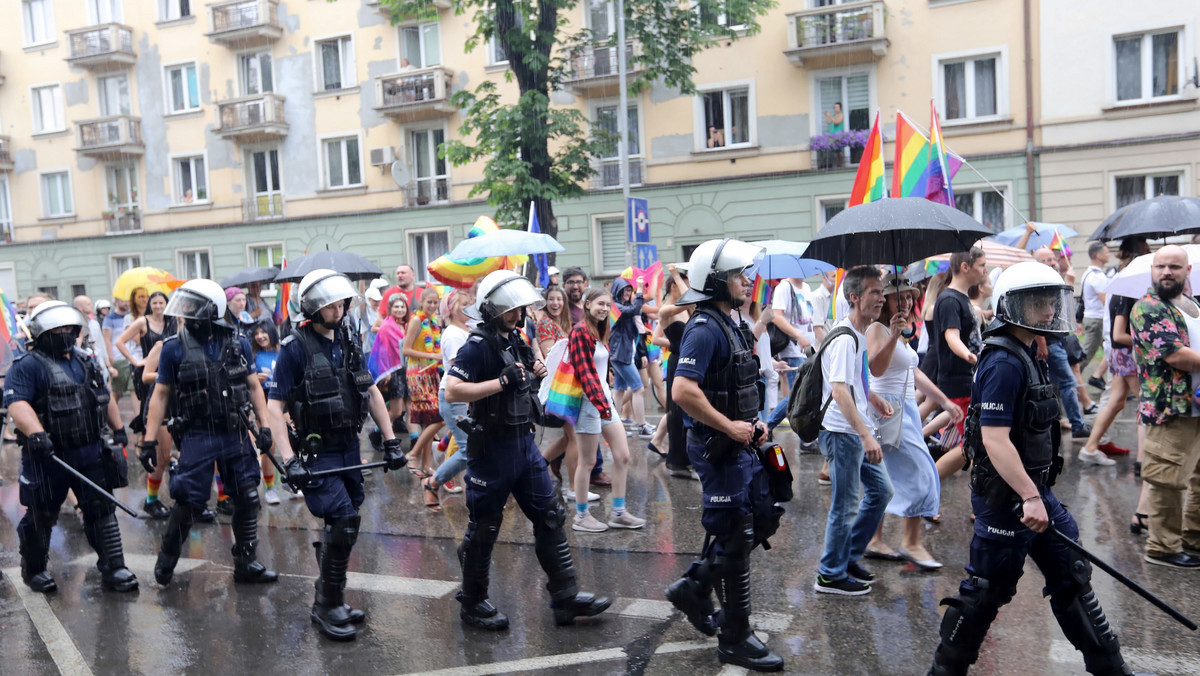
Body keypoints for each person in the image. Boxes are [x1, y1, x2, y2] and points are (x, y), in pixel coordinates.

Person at [926, 261, 1131, 676]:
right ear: (1012, 306)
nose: (1048, 310)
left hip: (1033, 492)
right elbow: (994, 440)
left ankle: (1111, 669)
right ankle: (943, 672)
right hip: (1007, 500)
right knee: (987, 591)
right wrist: (1031, 497)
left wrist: (1038, 495)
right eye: (1037, 302)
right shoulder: (1004, 361)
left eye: (1050, 301)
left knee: (1071, 575)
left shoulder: (1027, 348)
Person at [445, 269, 611, 631]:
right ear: (491, 309)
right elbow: (452, 390)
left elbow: (528, 375)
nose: (518, 314)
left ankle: (565, 597)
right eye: (510, 309)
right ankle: (472, 603)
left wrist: (534, 369)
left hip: (524, 445)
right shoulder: (477, 346)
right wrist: (498, 382)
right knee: (484, 528)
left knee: (550, 517)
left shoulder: (516, 338)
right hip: (491, 450)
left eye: (520, 308)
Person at [665, 238, 785, 672]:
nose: (747, 280)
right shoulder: (702, 327)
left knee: (762, 517)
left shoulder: (730, 320)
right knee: (734, 537)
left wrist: (754, 424)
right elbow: (683, 390)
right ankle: (735, 636)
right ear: (716, 281)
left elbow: (738, 380)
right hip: (718, 448)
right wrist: (729, 425)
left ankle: (694, 588)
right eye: (738, 275)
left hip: (743, 443)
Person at [267, 269, 406, 640]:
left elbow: (371, 390)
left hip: (348, 446)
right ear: (312, 306)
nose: (339, 306)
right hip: (317, 451)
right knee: (342, 519)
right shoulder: (294, 347)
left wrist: (390, 440)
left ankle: (329, 598)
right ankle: (327, 604)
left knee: (343, 524)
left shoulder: (349, 337)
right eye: (329, 302)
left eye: (341, 300)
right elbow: (274, 403)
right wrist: (289, 459)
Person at [141, 279, 278, 587]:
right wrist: (149, 440)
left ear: (210, 309)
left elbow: (254, 386)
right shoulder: (174, 348)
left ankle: (246, 562)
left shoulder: (238, 342)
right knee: (189, 501)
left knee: (246, 496)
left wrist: (265, 426)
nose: (186, 311)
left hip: (235, 432)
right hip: (198, 434)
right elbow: (160, 394)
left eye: (192, 306)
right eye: (185, 305)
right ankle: (166, 561)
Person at [6, 301, 136, 593]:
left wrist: (118, 429)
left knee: (101, 510)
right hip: (48, 456)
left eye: (69, 328)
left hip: (89, 451)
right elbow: (17, 402)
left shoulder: (86, 360)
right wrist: (37, 435)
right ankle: (35, 569)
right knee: (42, 515)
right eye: (59, 329)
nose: (66, 333)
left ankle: (114, 568)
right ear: (43, 333)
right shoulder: (27, 366)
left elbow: (103, 396)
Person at [865, 275, 959, 570]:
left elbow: (914, 374)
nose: (905, 302)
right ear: (885, 301)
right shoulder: (877, 328)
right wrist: (893, 336)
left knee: (886, 477)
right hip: (887, 408)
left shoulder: (900, 331)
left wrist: (944, 401)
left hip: (903, 408)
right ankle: (911, 542)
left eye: (909, 297)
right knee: (922, 472)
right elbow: (876, 370)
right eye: (899, 298)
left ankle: (874, 539)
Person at [813, 266, 894, 596]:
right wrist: (865, 434)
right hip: (843, 432)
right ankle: (830, 574)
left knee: (881, 492)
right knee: (845, 505)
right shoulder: (846, 336)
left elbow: (854, 382)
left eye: (881, 291)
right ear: (854, 297)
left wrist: (871, 396)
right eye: (875, 292)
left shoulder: (858, 334)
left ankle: (846, 557)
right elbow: (839, 390)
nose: (881, 298)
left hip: (852, 428)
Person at [1129, 245, 1200, 569]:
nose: (1167, 272)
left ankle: (1193, 539)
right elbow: (1176, 356)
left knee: (1197, 477)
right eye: (1161, 266)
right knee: (1167, 478)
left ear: (1187, 271)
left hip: (1194, 404)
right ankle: (1162, 548)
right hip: (1169, 407)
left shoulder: (1190, 305)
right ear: (1152, 270)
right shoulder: (1148, 308)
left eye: (1174, 266)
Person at [567, 288, 647, 532]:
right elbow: (585, 374)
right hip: (589, 403)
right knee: (588, 462)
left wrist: (607, 393)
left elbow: (598, 368)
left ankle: (619, 513)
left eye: (606, 304)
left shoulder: (600, 329)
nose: (603, 308)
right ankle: (581, 516)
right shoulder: (580, 331)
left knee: (623, 455)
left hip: (602, 402)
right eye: (599, 304)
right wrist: (603, 405)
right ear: (587, 304)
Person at [1079, 239, 1143, 466]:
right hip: (1123, 351)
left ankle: (1090, 448)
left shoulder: (1119, 284)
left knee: (1116, 401)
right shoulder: (1125, 287)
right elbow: (1118, 332)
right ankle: (1143, 460)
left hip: (1118, 351)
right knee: (1145, 404)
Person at [116, 291, 177, 518]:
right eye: (155, 302)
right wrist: (136, 361)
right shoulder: (143, 323)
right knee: (161, 455)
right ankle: (151, 500)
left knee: (171, 453)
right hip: (153, 383)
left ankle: (184, 497)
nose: (159, 306)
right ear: (150, 304)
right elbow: (119, 342)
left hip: (175, 392)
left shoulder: (172, 323)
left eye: (162, 302)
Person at [930, 248, 988, 475]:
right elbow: (951, 335)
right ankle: (980, 504)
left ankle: (927, 495)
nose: (985, 270)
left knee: (971, 444)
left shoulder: (961, 298)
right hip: (960, 382)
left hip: (968, 379)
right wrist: (968, 355)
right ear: (965, 267)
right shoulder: (948, 300)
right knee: (975, 443)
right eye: (982, 265)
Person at [1031, 247, 1093, 441]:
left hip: (1056, 341)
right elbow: (1036, 317)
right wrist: (1041, 342)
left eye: (1052, 258)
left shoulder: (1052, 280)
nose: (1052, 262)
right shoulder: (1040, 283)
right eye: (1046, 260)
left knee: (1055, 385)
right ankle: (1077, 425)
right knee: (1067, 382)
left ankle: (1055, 422)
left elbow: (1065, 316)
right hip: (1049, 343)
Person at [421, 288, 475, 510]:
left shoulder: (468, 329)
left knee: (476, 448)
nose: (468, 306)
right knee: (468, 450)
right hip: (456, 398)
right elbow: (458, 372)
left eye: (469, 302)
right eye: (463, 303)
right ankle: (432, 483)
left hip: (468, 395)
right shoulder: (453, 334)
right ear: (450, 309)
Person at [402, 286, 444, 477]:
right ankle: (413, 454)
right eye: (429, 302)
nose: (432, 306)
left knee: (430, 421)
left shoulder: (433, 322)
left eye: (435, 302)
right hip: (417, 373)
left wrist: (435, 360)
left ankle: (426, 466)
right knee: (436, 417)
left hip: (431, 373)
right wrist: (435, 355)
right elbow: (406, 350)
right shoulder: (417, 320)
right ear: (422, 302)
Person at [765, 277, 813, 434]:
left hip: (808, 350)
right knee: (798, 396)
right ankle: (767, 426)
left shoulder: (806, 287)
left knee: (801, 396)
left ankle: (767, 426)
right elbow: (776, 316)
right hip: (793, 350)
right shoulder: (784, 287)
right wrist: (798, 336)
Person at [609, 277, 652, 438]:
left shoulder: (623, 305)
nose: (628, 293)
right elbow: (633, 311)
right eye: (625, 290)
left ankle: (615, 424)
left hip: (622, 353)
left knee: (619, 390)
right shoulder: (616, 307)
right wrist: (640, 289)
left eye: (630, 290)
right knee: (638, 388)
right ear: (617, 291)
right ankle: (641, 426)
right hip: (620, 355)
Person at [250, 324, 282, 505]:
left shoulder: (282, 351)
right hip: (264, 402)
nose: (260, 336)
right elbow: (248, 382)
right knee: (268, 446)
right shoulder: (253, 355)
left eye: (263, 332)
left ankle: (290, 480)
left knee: (292, 442)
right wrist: (255, 379)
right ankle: (270, 487)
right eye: (257, 333)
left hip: (283, 401)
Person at [1080, 242, 1111, 384]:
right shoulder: (1097, 276)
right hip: (1096, 320)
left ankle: (1098, 377)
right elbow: (1105, 300)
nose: (1109, 254)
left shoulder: (1088, 273)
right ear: (1098, 255)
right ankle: (1069, 380)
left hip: (1093, 318)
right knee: (1084, 356)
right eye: (1106, 252)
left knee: (1112, 349)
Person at [102, 297, 132, 405]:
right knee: (117, 391)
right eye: (123, 300)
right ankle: (109, 413)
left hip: (132, 357)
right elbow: (107, 339)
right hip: (118, 358)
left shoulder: (131, 316)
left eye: (128, 300)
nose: (126, 303)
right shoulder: (110, 318)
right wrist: (111, 359)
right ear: (116, 301)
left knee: (133, 390)